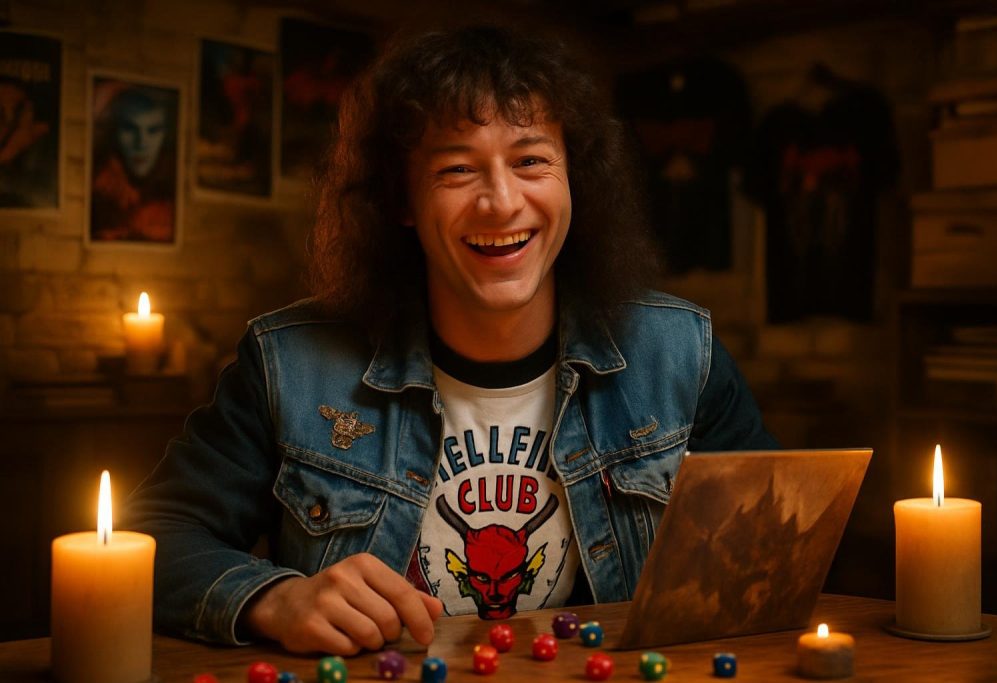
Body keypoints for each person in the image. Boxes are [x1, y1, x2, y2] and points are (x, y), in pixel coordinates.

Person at [123, 23, 777, 656]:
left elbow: (772, 551)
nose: (500, 201)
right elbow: (147, 539)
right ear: (402, 200)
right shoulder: (288, 365)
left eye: (530, 161)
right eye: (457, 169)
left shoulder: (681, 355)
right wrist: (273, 598)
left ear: (573, 179)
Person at [90, 83, 177, 243]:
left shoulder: (172, 178)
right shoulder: (99, 178)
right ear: (114, 133)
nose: (141, 143)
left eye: (153, 130)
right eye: (130, 129)